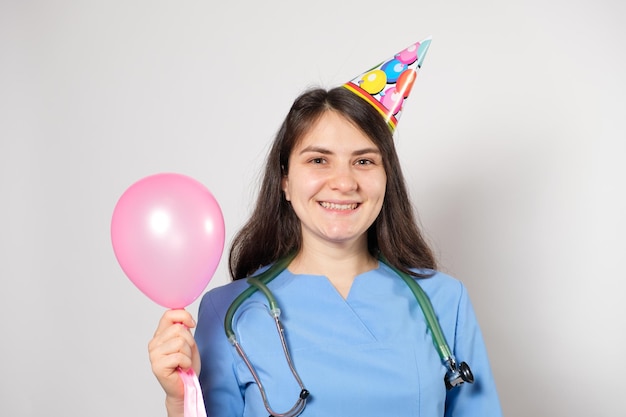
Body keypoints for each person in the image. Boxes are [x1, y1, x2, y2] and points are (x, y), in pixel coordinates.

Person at [149, 40, 502, 416]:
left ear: (387, 179)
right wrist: (178, 397)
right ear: (285, 180)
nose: (343, 182)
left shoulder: (445, 302)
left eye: (364, 161)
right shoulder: (227, 311)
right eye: (319, 160)